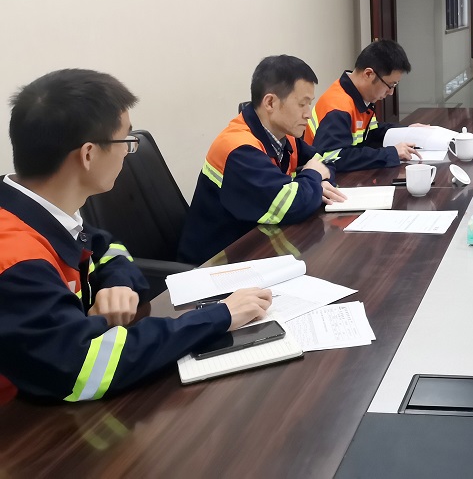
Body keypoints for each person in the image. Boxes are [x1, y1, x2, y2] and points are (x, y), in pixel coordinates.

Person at [0, 69, 272, 404]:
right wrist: (219, 316)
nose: (130, 150)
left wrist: (117, 282)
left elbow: (105, 246)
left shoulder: (39, 207)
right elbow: (85, 368)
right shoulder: (15, 260)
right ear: (88, 154)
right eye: (126, 140)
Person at [178, 55, 344, 265]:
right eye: (302, 104)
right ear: (270, 102)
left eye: (309, 104)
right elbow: (290, 206)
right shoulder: (239, 150)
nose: (308, 115)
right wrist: (313, 176)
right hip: (215, 265)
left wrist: (315, 181)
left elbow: (327, 160)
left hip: (257, 248)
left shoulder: (285, 136)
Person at [305, 40, 422, 172]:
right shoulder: (338, 106)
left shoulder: (360, 97)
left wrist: (407, 131)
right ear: (368, 74)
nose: (390, 92)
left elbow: (372, 133)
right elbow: (333, 158)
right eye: (390, 85)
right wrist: (390, 153)